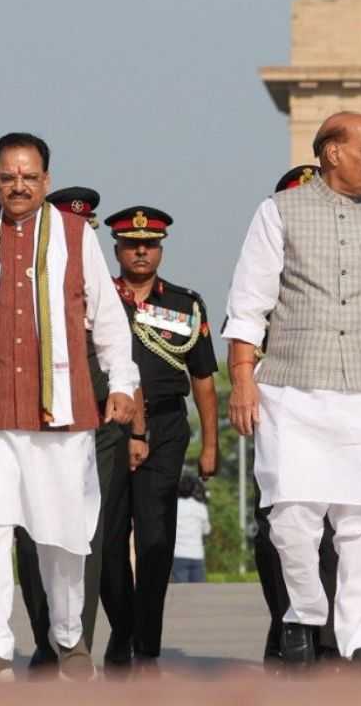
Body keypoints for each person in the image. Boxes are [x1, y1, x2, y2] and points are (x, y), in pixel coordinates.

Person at [223, 112, 361, 675]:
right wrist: (242, 382)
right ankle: (302, 616)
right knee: (292, 516)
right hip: (294, 389)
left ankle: (353, 643)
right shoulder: (278, 213)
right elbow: (248, 305)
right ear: (332, 152)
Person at [0, 133, 138, 681]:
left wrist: (123, 383)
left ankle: (69, 639)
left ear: (46, 178)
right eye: (8, 176)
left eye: (29, 176)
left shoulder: (73, 236)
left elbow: (107, 318)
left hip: (60, 414)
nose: (18, 185)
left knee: (62, 533)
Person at [12, 186, 138, 675]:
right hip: (32, 397)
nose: (80, 236)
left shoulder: (105, 284)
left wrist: (133, 414)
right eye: (71, 226)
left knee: (85, 527)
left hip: (96, 401)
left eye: (87, 229)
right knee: (29, 529)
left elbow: (116, 344)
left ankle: (75, 646)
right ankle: (46, 639)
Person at [99, 205, 220, 671]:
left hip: (167, 428)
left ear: (161, 249)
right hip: (108, 426)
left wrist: (211, 444)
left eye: (149, 244)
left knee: (155, 541)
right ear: (118, 250)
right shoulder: (98, 298)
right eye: (132, 245)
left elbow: (204, 379)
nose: (141, 252)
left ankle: (145, 646)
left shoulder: (185, 305)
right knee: (108, 542)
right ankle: (122, 629)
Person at [250, 164, 341, 668]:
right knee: (277, 532)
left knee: (335, 534)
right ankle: (287, 627)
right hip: (282, 420)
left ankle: (328, 640)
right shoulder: (263, 278)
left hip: (340, 416)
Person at [171, 473, 210, 583]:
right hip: (197, 554)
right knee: (198, 594)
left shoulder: (173, 506)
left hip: (178, 554)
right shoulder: (200, 507)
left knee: (182, 593)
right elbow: (206, 530)